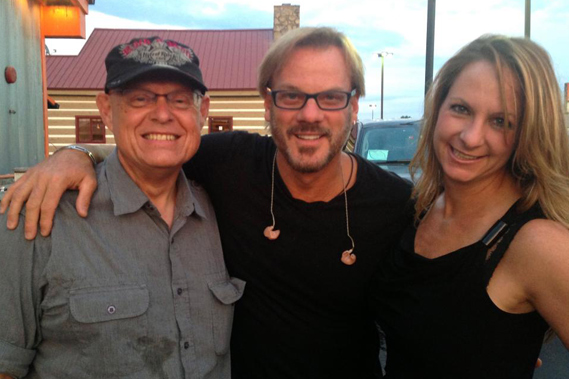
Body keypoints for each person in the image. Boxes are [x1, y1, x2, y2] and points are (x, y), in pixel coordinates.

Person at [0, 27, 413, 378]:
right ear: (269, 104)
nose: (310, 114)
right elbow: (147, 149)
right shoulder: (230, 166)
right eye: (291, 96)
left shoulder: (396, 204)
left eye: (330, 97)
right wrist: (75, 154)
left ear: (354, 105)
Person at [0, 36, 245, 379]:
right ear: (105, 110)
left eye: (179, 100)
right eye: (140, 99)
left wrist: (79, 151)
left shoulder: (221, 207)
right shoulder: (39, 216)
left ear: (202, 112)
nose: (162, 115)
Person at [370, 34, 569, 378]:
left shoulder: (537, 243)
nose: (471, 137)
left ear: (527, 133)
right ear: (438, 108)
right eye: (461, 109)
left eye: (500, 122)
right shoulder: (420, 209)